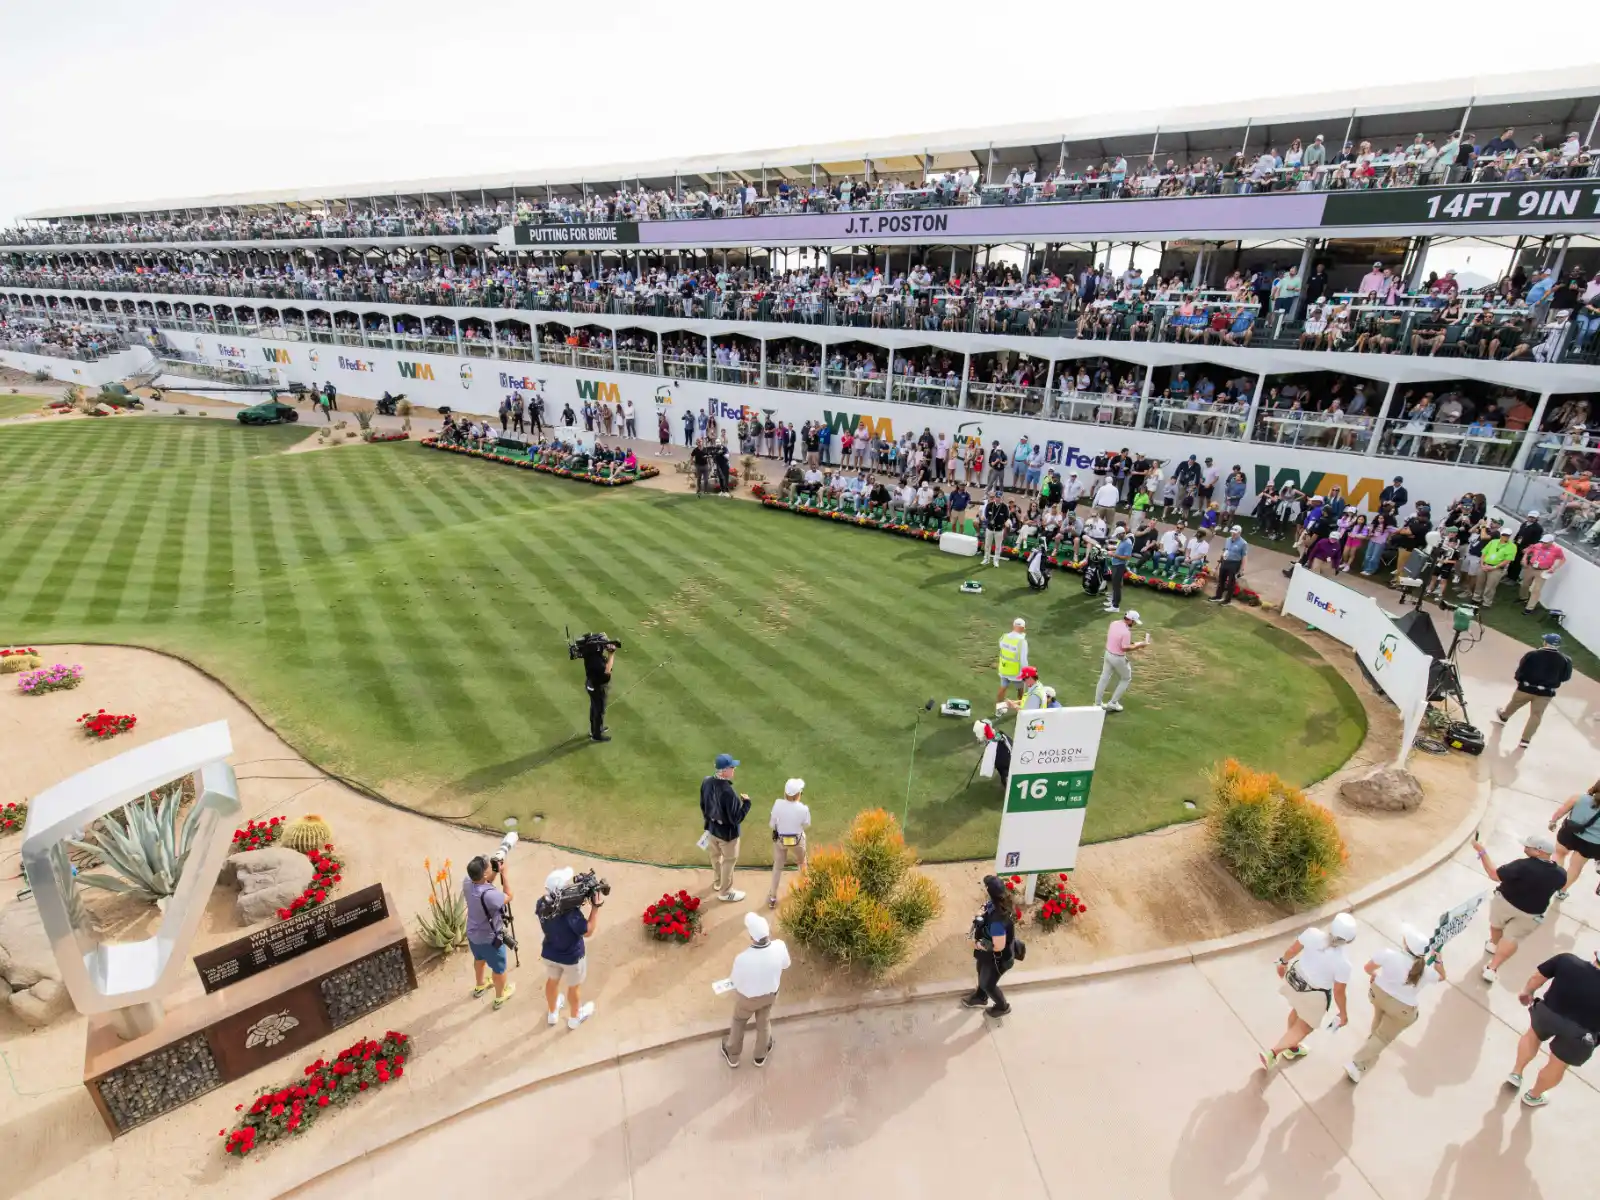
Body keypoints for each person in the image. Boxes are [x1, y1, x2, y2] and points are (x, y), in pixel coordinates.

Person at [1345, 924, 1445, 1083]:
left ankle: (1371, 1045)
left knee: (1379, 1018)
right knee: (1383, 1037)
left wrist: (1375, 975)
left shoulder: (1388, 954)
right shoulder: (1425, 971)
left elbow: (1367, 968)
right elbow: (1441, 977)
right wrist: (1438, 960)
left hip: (1378, 995)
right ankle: (1357, 1064)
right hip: (1402, 1010)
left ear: (1407, 945)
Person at [1260, 914, 1357, 1069]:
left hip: (1295, 980)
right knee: (1304, 1026)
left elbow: (1292, 950)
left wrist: (1282, 962)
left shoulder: (1312, 933)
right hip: (1314, 994)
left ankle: (1291, 1047)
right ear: (1350, 940)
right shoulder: (1344, 964)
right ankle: (1273, 1053)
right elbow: (1339, 991)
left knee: (1297, 1011)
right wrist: (1343, 1014)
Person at [1508, 947, 1600, 1107]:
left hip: (1547, 1014)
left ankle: (1516, 1073)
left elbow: (1537, 977)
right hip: (1579, 1034)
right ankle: (1533, 1095)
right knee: (1557, 1064)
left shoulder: (1567, 960)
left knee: (1532, 1036)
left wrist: (1527, 992)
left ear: (1596, 953)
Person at [1473, 832, 1564, 983]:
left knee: (1496, 926)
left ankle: (1494, 944)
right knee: (1512, 938)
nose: (1525, 849)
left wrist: (1482, 851)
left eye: (1528, 847)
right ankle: (1492, 968)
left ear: (1539, 851)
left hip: (1505, 903)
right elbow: (1558, 886)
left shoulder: (1522, 865)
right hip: (1532, 914)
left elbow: (1494, 874)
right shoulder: (1560, 874)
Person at [721, 912, 791, 1068]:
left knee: (739, 1021)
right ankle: (760, 1055)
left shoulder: (743, 958)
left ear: (751, 937)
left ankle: (733, 1055)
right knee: (764, 1022)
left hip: (747, 999)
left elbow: (735, 982)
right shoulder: (779, 946)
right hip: (770, 995)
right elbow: (786, 964)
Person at [537, 866, 602, 1029]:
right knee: (574, 987)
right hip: (572, 958)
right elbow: (588, 931)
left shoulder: (541, 904)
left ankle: (552, 1013)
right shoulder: (571, 914)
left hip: (550, 953)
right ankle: (574, 1018)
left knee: (552, 981)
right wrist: (595, 908)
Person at [1494, 632, 1572, 748]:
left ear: (1545, 642)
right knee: (1536, 716)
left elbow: (1520, 670)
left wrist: (1520, 681)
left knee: (1514, 704)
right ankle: (1525, 740)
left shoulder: (1532, 654)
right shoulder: (1566, 660)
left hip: (1525, 688)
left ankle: (1504, 717)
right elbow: (1565, 677)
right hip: (1546, 693)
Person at [464, 853, 516, 1010]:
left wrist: (494, 871)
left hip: (473, 935)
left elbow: (486, 881)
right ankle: (500, 996)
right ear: (484, 873)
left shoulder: (467, 882)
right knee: (499, 970)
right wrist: (504, 875)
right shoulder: (491, 896)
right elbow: (508, 896)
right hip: (490, 939)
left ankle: (480, 986)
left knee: (479, 959)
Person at [961, 875, 1017, 1018]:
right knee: (981, 970)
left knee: (988, 984)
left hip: (999, 958)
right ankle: (980, 997)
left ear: (988, 890)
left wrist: (978, 944)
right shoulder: (998, 901)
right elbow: (986, 906)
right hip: (988, 955)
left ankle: (1002, 1007)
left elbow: (998, 946)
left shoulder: (998, 922)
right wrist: (980, 912)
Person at [701, 753, 752, 902]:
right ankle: (726, 891)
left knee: (715, 857)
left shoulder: (706, 782)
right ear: (724, 771)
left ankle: (718, 882)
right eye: (732, 767)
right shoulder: (729, 793)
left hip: (711, 829)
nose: (734, 769)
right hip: (727, 835)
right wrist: (747, 803)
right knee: (729, 860)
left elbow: (703, 805)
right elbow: (736, 818)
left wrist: (708, 824)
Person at [1548, 779, 1600, 899]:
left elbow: (1560, 812)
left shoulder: (1579, 798)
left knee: (1559, 855)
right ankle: (1562, 890)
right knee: (1575, 867)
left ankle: (1552, 881)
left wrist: (1553, 821)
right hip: (1592, 843)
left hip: (1569, 833)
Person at [767, 778, 811, 909]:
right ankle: (805, 890)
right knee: (802, 862)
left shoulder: (778, 804)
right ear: (798, 795)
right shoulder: (803, 809)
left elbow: (772, 824)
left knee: (778, 867)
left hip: (780, 840)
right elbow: (806, 824)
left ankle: (772, 897)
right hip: (797, 841)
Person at [1095, 609, 1148, 713]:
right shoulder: (1126, 632)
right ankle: (1113, 703)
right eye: (1134, 622)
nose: (1134, 624)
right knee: (1126, 678)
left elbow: (1116, 639)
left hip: (1107, 654)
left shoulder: (1114, 623)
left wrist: (1134, 643)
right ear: (1130, 620)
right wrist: (1139, 646)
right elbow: (1124, 648)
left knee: (1104, 677)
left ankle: (1097, 703)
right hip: (1118, 658)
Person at [1519, 534, 1567, 613]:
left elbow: (1562, 559)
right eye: (1542, 542)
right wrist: (1524, 558)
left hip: (1543, 570)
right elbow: (1527, 551)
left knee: (1536, 589)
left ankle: (1529, 607)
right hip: (1531, 567)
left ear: (1551, 542)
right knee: (1524, 584)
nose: (1543, 544)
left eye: (1545, 543)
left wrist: (1554, 568)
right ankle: (1523, 598)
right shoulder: (1537, 545)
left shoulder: (1557, 550)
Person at [583, 637, 615, 743]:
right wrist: (611, 654)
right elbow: (607, 673)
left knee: (594, 707)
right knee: (599, 710)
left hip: (590, 683)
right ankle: (596, 735)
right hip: (597, 687)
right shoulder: (597, 662)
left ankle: (595, 729)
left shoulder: (589, 654)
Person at [1474, 528, 1517, 605]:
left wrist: (1494, 567)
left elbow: (1507, 560)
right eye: (1504, 535)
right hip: (1484, 565)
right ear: (1501, 534)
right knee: (1479, 583)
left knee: (1490, 586)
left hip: (1496, 569)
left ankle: (1486, 602)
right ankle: (1476, 598)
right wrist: (1482, 564)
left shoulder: (1512, 546)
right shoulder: (1493, 542)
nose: (1505, 537)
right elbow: (1484, 553)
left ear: (1510, 536)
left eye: (1507, 535)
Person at [1210, 525, 1248, 603]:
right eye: (1232, 533)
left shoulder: (1243, 543)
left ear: (1239, 533)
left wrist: (1242, 569)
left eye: (1235, 533)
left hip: (1235, 563)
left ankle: (1227, 600)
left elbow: (1244, 556)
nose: (1233, 534)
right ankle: (1218, 596)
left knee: (1231, 582)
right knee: (1221, 580)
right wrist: (1221, 558)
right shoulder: (1227, 539)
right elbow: (1224, 550)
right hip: (1225, 561)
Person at [996, 617, 1029, 704]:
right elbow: (1023, 659)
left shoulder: (1004, 637)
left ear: (1013, 626)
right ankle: (1021, 708)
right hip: (1016, 672)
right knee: (1020, 690)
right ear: (1023, 628)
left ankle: (998, 708)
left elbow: (1001, 646)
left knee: (1003, 688)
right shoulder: (1022, 641)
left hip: (1004, 668)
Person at [1104, 526, 1134, 613]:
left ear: (1121, 534)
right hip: (1115, 565)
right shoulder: (1122, 541)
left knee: (1117, 586)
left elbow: (1127, 557)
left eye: (1117, 535)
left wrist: (1113, 555)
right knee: (1115, 585)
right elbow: (1119, 551)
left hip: (1119, 566)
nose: (1116, 537)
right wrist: (1113, 553)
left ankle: (1115, 606)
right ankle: (1113, 602)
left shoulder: (1128, 543)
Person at [981, 491, 1010, 566]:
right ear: (995, 497)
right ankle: (986, 559)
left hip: (999, 530)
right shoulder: (990, 505)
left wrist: (1006, 522)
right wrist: (987, 519)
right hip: (989, 528)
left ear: (1002, 498)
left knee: (998, 546)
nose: (998, 499)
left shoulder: (1004, 507)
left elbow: (1007, 517)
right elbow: (986, 515)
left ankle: (996, 560)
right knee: (987, 545)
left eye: (999, 497)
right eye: (997, 497)